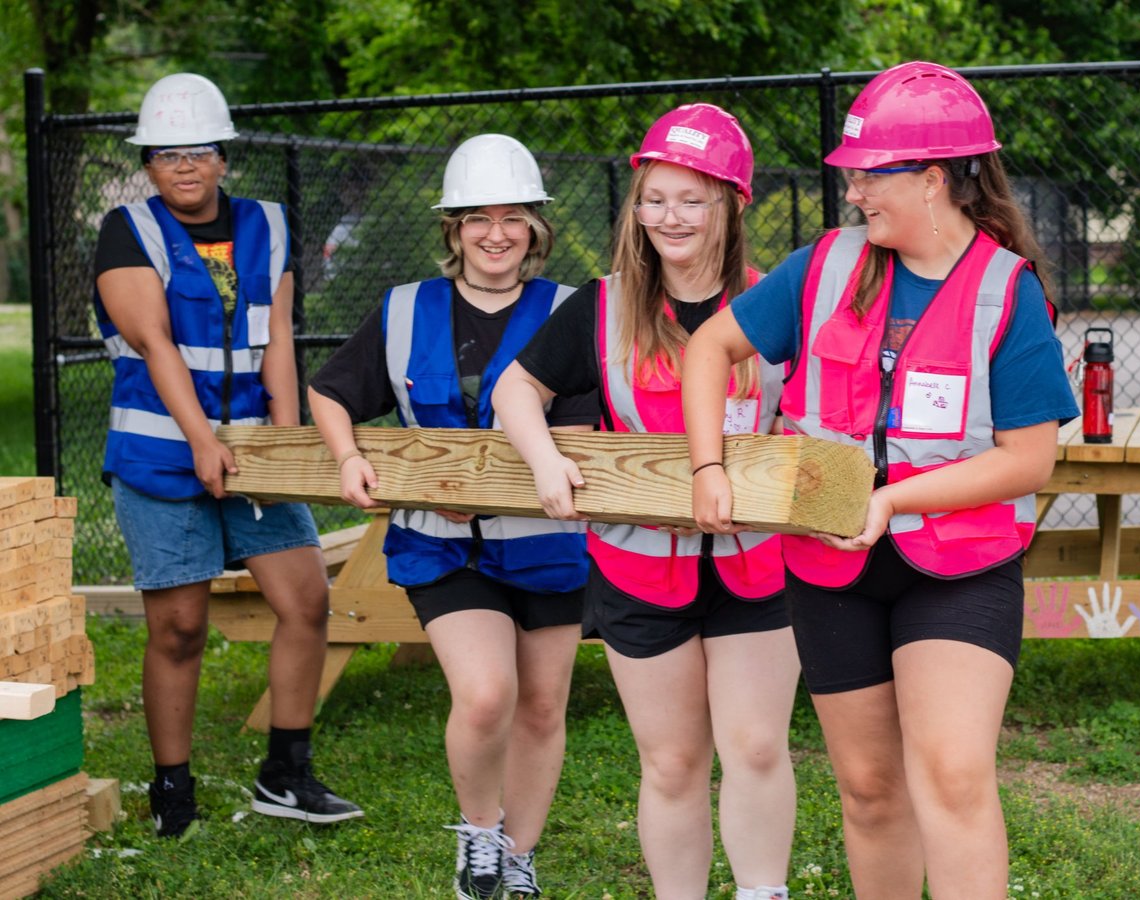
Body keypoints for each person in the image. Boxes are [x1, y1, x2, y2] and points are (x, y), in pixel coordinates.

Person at [683, 62, 1081, 899]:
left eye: (870, 173)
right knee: (868, 790)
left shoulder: (1006, 292)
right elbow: (707, 349)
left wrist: (893, 500)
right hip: (830, 566)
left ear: (934, 179)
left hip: (958, 567)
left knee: (953, 775)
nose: (855, 191)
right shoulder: (824, 267)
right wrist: (709, 465)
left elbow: (1029, 459)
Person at [493, 104, 799, 900]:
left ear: (734, 205)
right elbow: (515, 390)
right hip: (637, 567)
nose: (671, 217)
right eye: (656, 197)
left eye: (693, 199)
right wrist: (546, 461)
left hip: (758, 567)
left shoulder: (780, 305)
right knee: (670, 761)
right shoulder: (602, 306)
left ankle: (764, 891)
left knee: (759, 746)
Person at [307, 133, 595, 900]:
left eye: (512, 218)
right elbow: (331, 392)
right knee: (486, 695)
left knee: (540, 706)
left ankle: (521, 856)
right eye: (477, 218)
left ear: (536, 227)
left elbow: (591, 432)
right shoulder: (404, 309)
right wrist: (347, 457)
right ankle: (479, 838)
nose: (495, 234)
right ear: (451, 229)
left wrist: (518, 473)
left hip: (548, 548)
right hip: (441, 549)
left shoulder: (573, 311)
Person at [93, 73, 361, 838]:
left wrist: (280, 439)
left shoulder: (266, 225)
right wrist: (203, 442)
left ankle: (287, 772)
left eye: (199, 151)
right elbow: (156, 343)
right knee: (179, 628)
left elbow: (276, 338)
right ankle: (172, 791)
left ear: (222, 158)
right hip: (162, 460)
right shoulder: (128, 231)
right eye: (166, 154)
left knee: (306, 600)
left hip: (252, 455)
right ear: (148, 164)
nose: (184, 165)